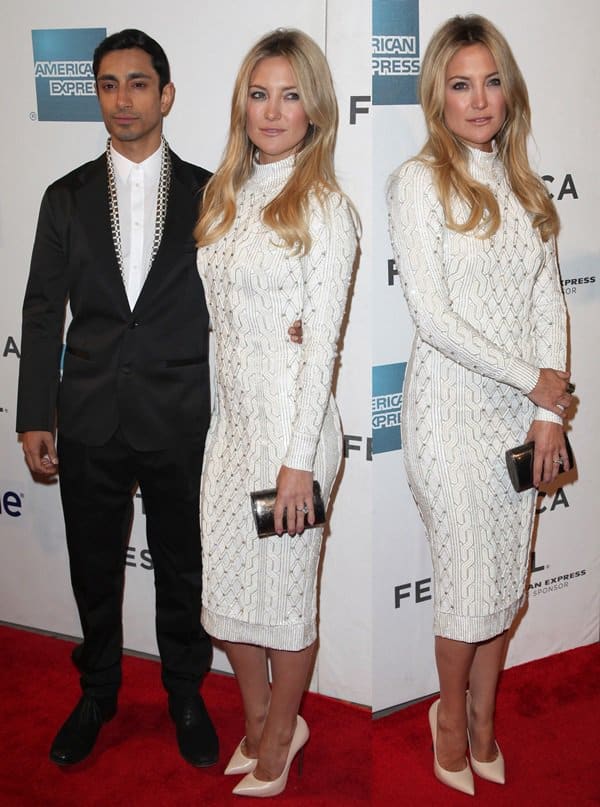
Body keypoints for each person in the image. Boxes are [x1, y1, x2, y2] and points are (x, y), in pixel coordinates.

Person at [16, 29, 221, 768]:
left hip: (180, 416)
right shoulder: (64, 196)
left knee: (183, 563)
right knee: (92, 565)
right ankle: (98, 690)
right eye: (108, 84)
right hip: (92, 416)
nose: (122, 98)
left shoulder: (212, 191)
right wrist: (37, 414)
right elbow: (43, 312)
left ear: (165, 95)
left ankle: (186, 691)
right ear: (96, 94)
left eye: (138, 83)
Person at [386, 15, 572, 796]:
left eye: (491, 80)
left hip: (520, 421)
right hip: (446, 418)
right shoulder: (419, 180)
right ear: (437, 94)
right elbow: (432, 315)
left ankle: (486, 715)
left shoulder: (526, 186)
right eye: (461, 83)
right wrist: (534, 380)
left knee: (504, 585)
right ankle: (449, 718)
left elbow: (550, 305)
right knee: (466, 586)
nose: (479, 98)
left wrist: (549, 414)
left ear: (510, 90)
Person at [195, 28, 357, 798]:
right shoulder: (223, 194)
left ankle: (278, 735)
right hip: (231, 428)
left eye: (291, 94)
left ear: (315, 109)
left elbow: (321, 345)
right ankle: (266, 719)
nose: (272, 110)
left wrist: (298, 461)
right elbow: (219, 319)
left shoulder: (325, 206)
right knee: (226, 603)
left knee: (287, 598)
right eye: (260, 93)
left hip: (295, 428)